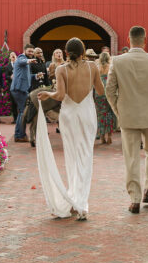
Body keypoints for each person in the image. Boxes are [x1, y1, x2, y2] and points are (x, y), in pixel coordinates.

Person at [105, 26, 148, 214]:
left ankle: (134, 198)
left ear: (128, 40)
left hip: (128, 115)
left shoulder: (117, 61)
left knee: (131, 157)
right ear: (144, 41)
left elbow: (109, 90)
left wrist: (119, 109)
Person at [36, 38, 104, 221]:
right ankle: (80, 201)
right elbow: (101, 91)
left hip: (69, 115)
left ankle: (75, 201)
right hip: (87, 113)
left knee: (72, 157)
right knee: (85, 156)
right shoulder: (92, 67)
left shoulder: (61, 69)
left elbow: (59, 95)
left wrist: (47, 94)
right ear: (83, 52)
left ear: (66, 53)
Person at [94, 51, 116, 144]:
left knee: (100, 114)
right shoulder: (111, 67)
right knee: (109, 113)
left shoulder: (97, 67)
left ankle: (102, 136)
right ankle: (110, 136)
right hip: (109, 90)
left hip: (99, 91)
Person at [11, 50, 32, 142]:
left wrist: (36, 76)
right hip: (19, 89)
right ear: (25, 51)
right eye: (29, 51)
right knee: (22, 113)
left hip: (21, 89)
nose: (31, 53)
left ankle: (18, 134)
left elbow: (27, 75)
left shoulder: (25, 61)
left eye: (32, 51)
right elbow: (21, 61)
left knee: (21, 112)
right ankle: (20, 135)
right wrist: (28, 61)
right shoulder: (21, 57)